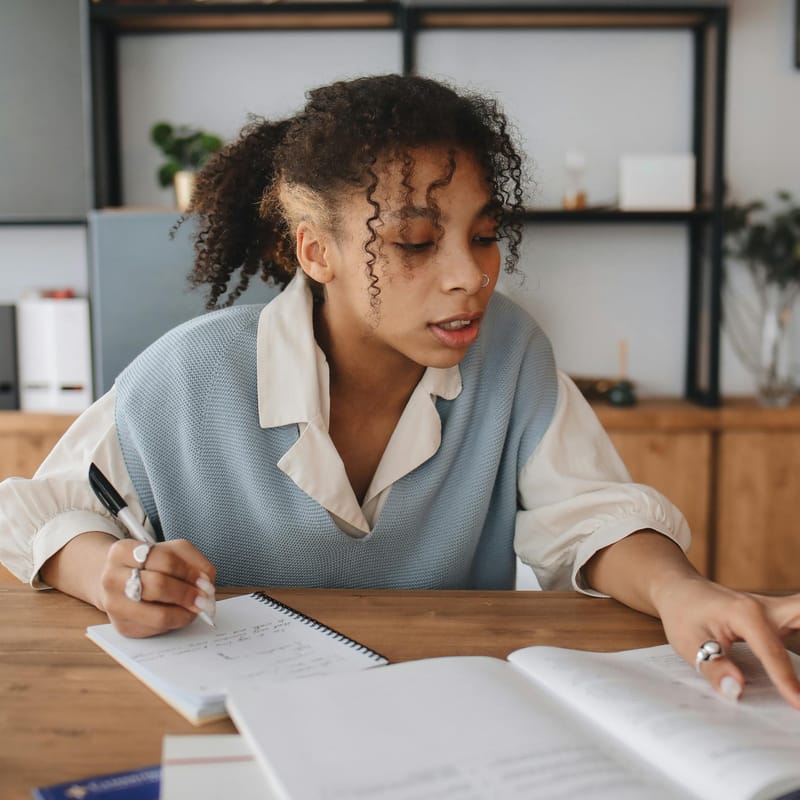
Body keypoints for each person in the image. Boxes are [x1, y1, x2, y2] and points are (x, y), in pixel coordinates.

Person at [1, 74, 798, 708]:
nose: (470, 275)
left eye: (484, 235)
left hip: (446, 723)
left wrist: (681, 591)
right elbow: (32, 512)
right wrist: (105, 570)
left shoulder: (509, 354)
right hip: (239, 728)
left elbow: (593, 516)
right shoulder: (188, 374)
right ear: (316, 252)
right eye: (415, 241)